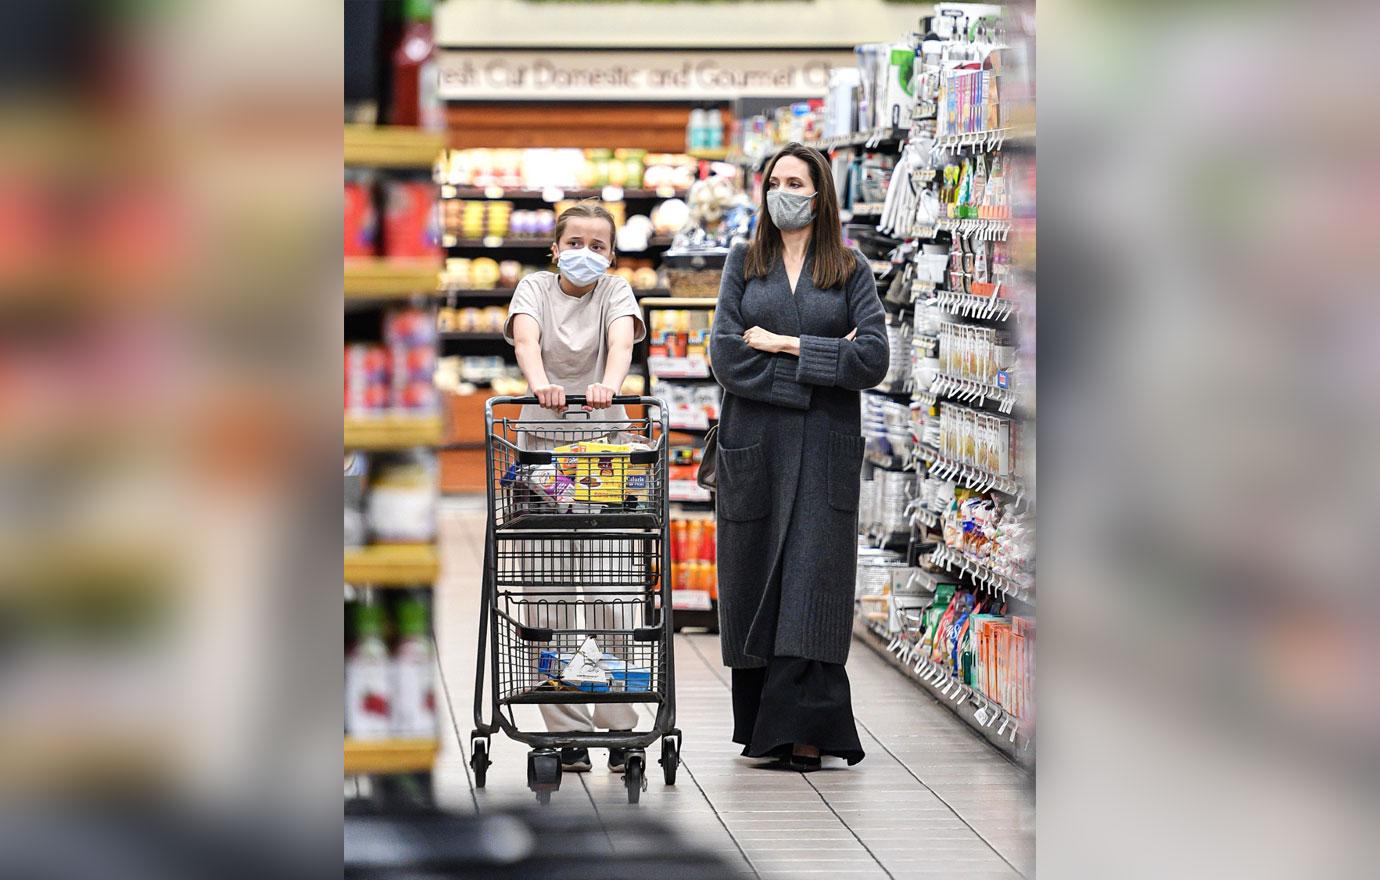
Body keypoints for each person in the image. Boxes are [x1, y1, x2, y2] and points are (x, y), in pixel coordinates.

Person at [709, 142, 889, 772]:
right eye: (776, 180)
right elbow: (726, 357)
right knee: (756, 583)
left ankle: (809, 731)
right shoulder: (743, 262)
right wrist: (817, 370)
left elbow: (872, 358)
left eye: (797, 181)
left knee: (813, 586)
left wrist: (785, 344)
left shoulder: (849, 267)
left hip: (821, 454)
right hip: (755, 447)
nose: (784, 190)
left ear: (820, 193)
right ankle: (763, 729)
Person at [503, 200, 647, 773]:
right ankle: (565, 726)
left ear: (611, 254)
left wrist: (609, 387)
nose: (586, 254)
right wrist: (541, 387)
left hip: (602, 456)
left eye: (598, 246)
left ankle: (618, 718)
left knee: (609, 595)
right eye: (575, 243)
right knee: (550, 597)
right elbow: (526, 343)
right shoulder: (534, 288)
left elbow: (620, 345)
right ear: (553, 247)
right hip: (541, 451)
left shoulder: (615, 292)